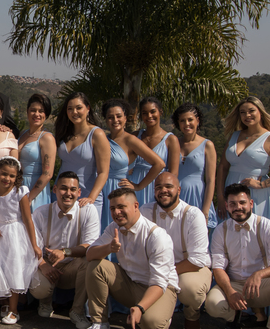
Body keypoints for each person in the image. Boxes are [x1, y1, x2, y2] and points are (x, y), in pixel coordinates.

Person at [80, 188, 179, 329]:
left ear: (135, 206)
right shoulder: (113, 227)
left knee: (152, 325)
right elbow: (90, 254)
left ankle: (163, 319)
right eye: (113, 208)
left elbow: (159, 282)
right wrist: (108, 248)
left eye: (121, 207)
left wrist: (140, 307)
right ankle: (100, 324)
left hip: (158, 288)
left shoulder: (157, 236)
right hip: (130, 282)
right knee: (96, 265)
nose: (116, 212)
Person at [205, 183, 270, 329]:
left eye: (242, 202)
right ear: (227, 206)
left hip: (261, 286)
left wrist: (259, 274)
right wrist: (230, 291)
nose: (238, 207)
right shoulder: (220, 230)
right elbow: (218, 267)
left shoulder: (267, 226)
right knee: (212, 305)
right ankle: (236, 316)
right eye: (233, 204)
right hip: (235, 284)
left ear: (251, 203)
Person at [141, 172, 212, 329]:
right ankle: (160, 314)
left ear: (178, 190)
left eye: (168, 186)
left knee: (191, 289)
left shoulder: (194, 215)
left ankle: (192, 314)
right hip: (157, 267)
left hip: (189, 268)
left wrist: (166, 272)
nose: (163, 191)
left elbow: (197, 260)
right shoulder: (145, 211)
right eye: (158, 187)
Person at [28, 172, 100, 321]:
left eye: (73, 189)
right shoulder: (41, 212)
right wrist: (43, 265)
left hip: (73, 267)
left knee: (92, 263)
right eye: (63, 188)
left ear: (79, 192)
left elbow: (90, 246)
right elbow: (32, 245)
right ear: (55, 190)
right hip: (47, 264)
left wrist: (65, 252)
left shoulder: (88, 211)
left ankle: (77, 311)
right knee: (40, 289)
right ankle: (45, 303)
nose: (68, 193)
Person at [217, 95, 270, 221]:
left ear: (261, 112)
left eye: (251, 111)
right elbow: (223, 167)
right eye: (242, 112)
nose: (247, 115)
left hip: (257, 194)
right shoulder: (234, 136)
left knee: (256, 229)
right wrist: (221, 197)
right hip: (231, 193)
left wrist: (262, 184)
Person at [0, 157, 42, 325]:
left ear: (16, 177)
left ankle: (14, 310)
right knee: (2, 268)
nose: (7, 179)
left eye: (11, 176)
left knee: (14, 269)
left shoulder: (19, 192)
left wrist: (34, 244)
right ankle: (5, 303)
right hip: (0, 234)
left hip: (17, 234)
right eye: (4, 174)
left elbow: (28, 219)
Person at [101, 100, 164, 234]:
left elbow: (159, 164)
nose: (115, 120)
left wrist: (139, 186)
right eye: (110, 117)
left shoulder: (131, 140)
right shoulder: (102, 139)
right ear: (106, 120)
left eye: (118, 116)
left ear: (125, 118)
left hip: (118, 189)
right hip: (100, 190)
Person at [55, 93, 110, 215]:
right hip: (63, 196)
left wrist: (91, 198)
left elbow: (103, 172)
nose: (74, 112)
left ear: (88, 108)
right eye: (70, 109)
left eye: (78, 108)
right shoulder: (63, 133)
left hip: (87, 197)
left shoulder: (97, 134)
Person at [129, 97, 180, 205]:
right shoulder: (134, 136)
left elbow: (173, 173)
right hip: (134, 185)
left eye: (153, 112)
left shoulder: (171, 140)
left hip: (157, 188)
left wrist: (164, 191)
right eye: (145, 113)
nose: (149, 116)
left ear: (160, 112)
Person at [174, 103, 218, 229]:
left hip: (197, 196)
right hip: (175, 196)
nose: (186, 123)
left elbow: (210, 181)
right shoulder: (174, 143)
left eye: (190, 120)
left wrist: (205, 211)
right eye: (182, 120)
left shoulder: (207, 145)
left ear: (197, 121)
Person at [18, 93, 56, 210]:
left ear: (46, 114)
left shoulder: (47, 137)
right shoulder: (23, 134)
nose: (37, 114)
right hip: (19, 186)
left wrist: (30, 197)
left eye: (41, 111)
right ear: (27, 111)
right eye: (33, 110)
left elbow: (47, 174)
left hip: (35, 190)